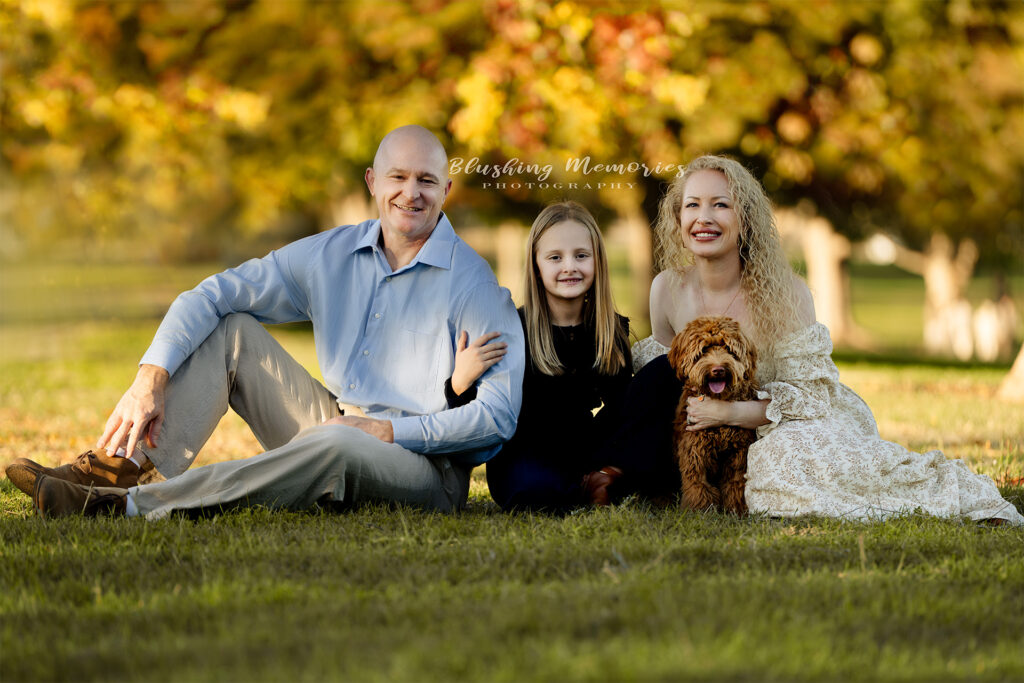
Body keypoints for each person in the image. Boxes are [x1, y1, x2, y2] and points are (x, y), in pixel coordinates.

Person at [8, 125, 526, 519]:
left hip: (427, 471)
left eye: (426, 181)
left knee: (341, 441)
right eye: (398, 177)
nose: (411, 193)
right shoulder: (331, 255)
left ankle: (131, 506)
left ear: (446, 190)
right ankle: (111, 471)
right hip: (339, 422)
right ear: (372, 181)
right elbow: (212, 294)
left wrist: (387, 431)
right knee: (233, 332)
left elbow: (497, 419)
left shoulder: (473, 285)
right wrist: (151, 378)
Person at [592, 154, 1023, 525]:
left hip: (786, 419)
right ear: (677, 218)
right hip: (706, 423)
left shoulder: (786, 293)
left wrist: (730, 411)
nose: (703, 218)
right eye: (692, 206)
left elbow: (811, 395)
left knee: (779, 466)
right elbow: (663, 377)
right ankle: (615, 473)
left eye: (720, 205)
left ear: (745, 218)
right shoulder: (667, 287)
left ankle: (939, 494)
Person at [468, 201, 631, 512]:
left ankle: (597, 479)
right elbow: (473, 409)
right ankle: (589, 487)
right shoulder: (513, 329)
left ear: (598, 262)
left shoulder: (611, 330)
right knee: (536, 494)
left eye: (581, 256)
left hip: (585, 450)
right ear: (536, 265)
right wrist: (460, 380)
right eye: (555, 257)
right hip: (525, 454)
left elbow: (621, 409)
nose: (569, 266)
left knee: (658, 377)